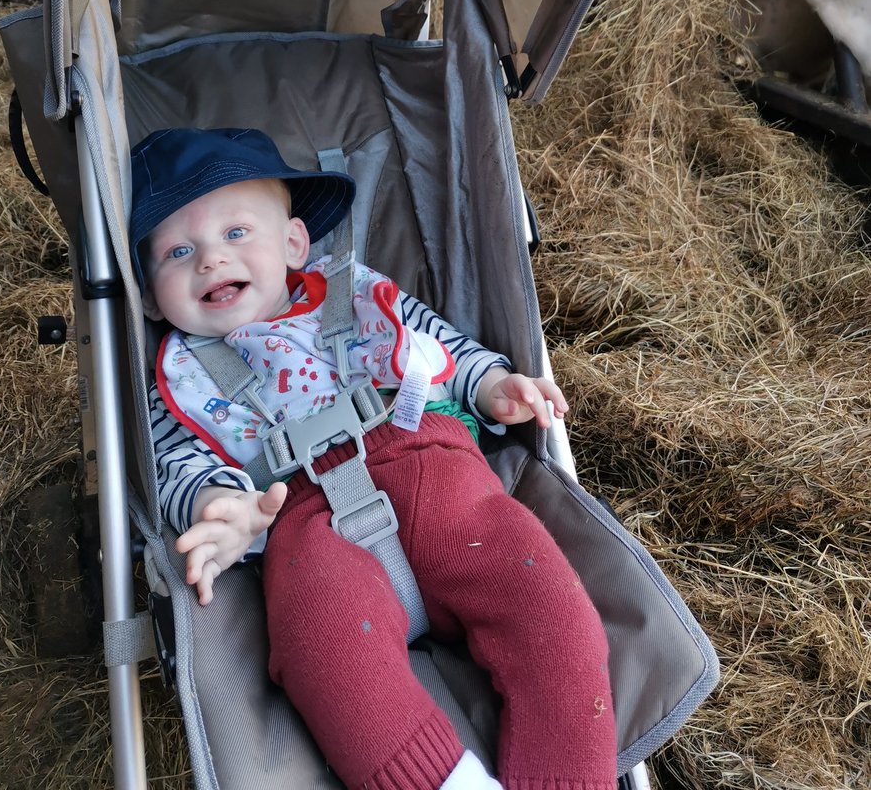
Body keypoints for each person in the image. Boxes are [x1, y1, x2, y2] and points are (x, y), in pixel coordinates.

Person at [130, 126, 617, 790]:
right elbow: (179, 461)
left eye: (237, 234)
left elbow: (435, 344)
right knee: (325, 656)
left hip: (431, 472)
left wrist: (491, 384)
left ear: (295, 244)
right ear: (152, 295)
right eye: (179, 251)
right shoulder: (179, 375)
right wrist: (224, 508)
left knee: (550, 611)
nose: (211, 260)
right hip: (303, 524)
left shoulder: (350, 295)